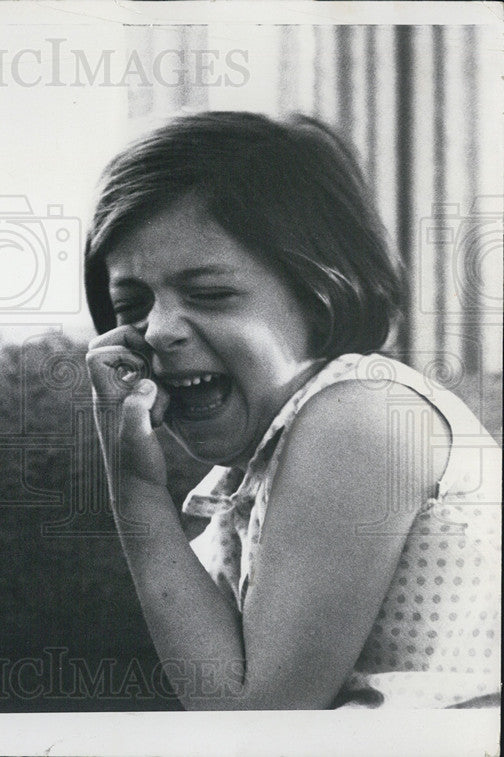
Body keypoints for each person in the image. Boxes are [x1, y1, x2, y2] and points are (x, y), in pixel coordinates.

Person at [84, 111, 501, 709]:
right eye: (132, 306)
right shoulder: (277, 450)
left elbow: (257, 725)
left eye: (209, 294)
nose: (159, 330)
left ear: (320, 295)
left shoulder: (361, 415)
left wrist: (137, 492)